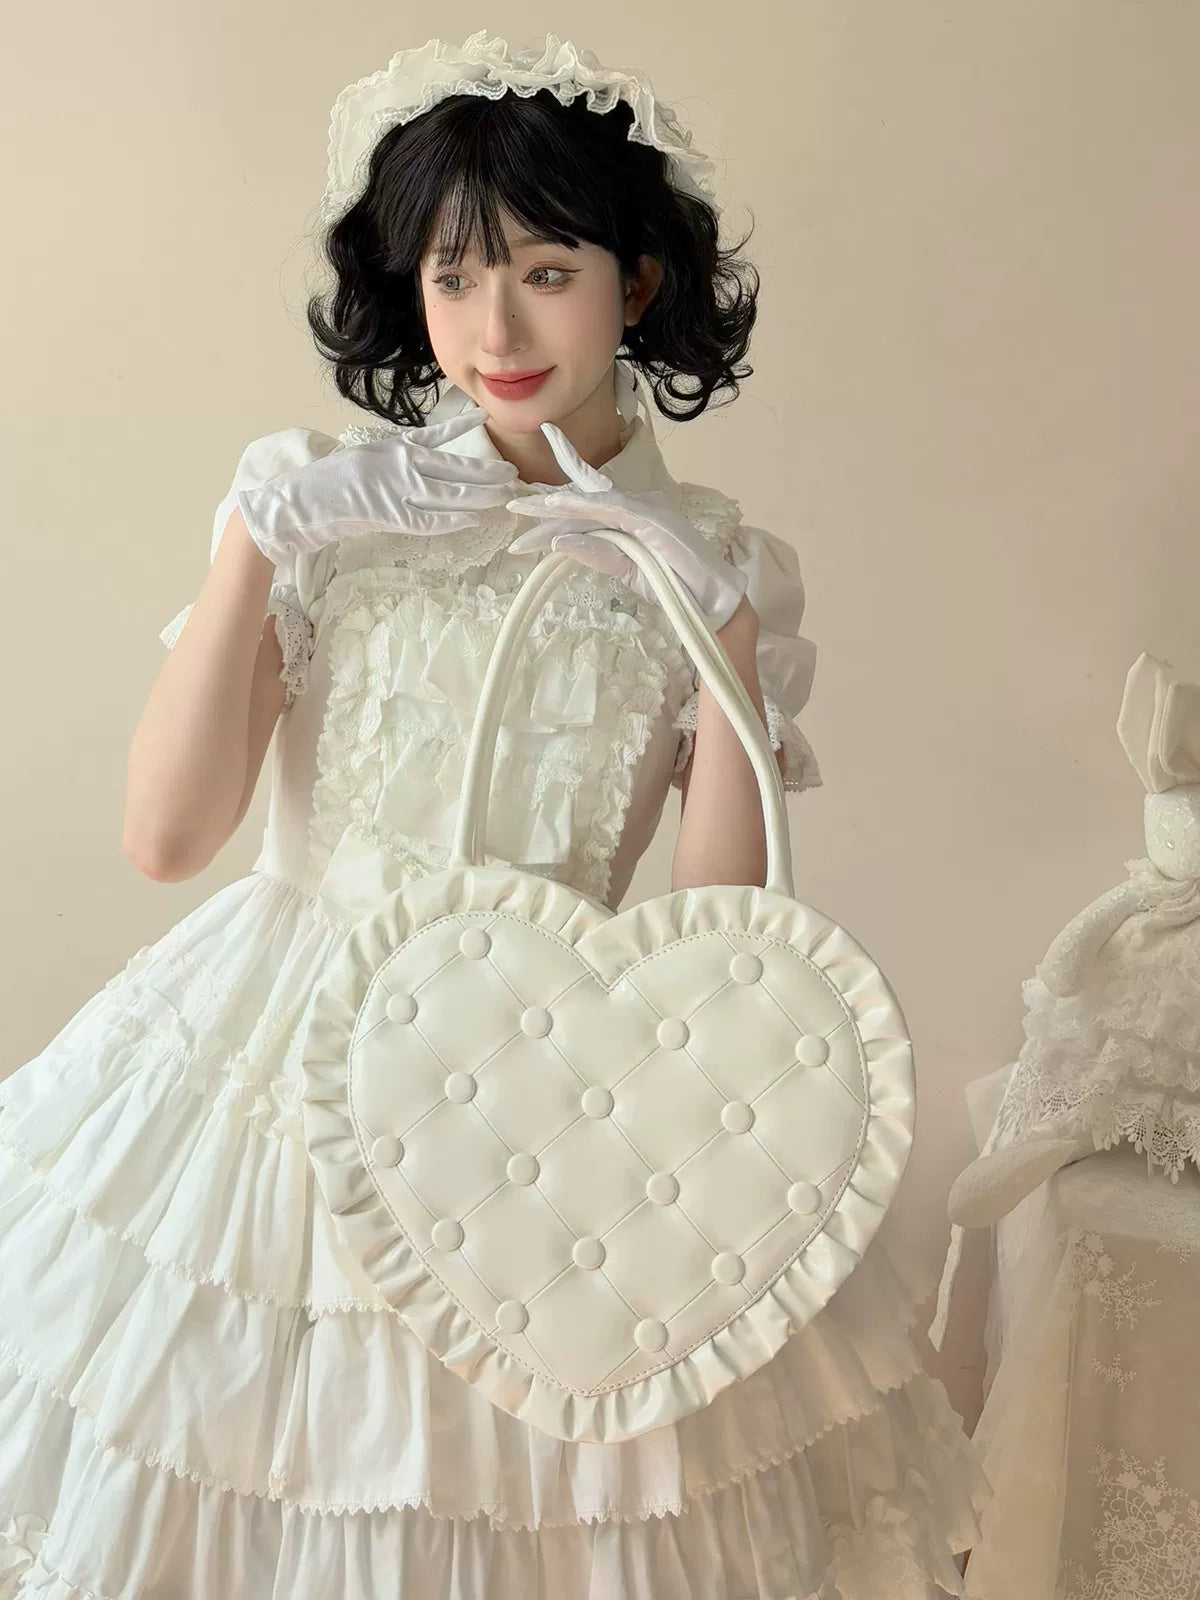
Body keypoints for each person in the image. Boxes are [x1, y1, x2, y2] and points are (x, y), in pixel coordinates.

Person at [0, 32, 987, 1598]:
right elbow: (168, 840)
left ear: (639, 284)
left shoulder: (716, 557)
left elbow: (725, 928)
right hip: (287, 1060)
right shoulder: (329, 514)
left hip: (563, 1071)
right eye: (454, 280)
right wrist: (259, 538)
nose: (496, 327)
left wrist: (717, 636)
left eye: (546, 268)